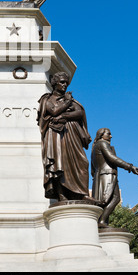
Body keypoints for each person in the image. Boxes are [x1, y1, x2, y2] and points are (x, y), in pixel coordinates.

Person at [37, 72, 93, 202]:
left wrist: (64, 116)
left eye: (66, 83)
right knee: (59, 163)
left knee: (82, 162)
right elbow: (54, 110)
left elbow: (79, 112)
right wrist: (67, 104)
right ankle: (62, 194)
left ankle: (82, 193)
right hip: (56, 136)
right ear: (55, 83)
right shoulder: (47, 99)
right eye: (62, 82)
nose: (65, 85)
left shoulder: (70, 100)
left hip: (72, 134)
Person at [91, 128, 138, 227]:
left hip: (103, 175)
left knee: (113, 199)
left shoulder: (95, 147)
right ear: (101, 135)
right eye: (109, 134)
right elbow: (112, 158)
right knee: (109, 199)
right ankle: (102, 221)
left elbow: (92, 169)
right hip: (107, 175)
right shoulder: (102, 143)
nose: (111, 136)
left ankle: (102, 221)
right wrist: (130, 167)